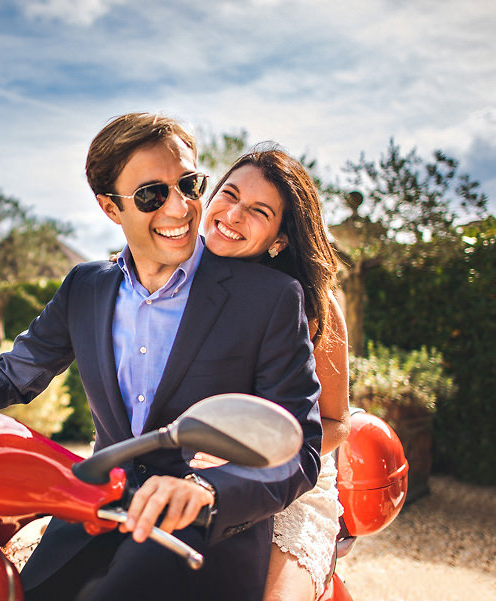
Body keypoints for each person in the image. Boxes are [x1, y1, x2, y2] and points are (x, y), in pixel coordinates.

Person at [0, 113, 323, 601]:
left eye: (190, 185)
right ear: (111, 208)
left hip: (196, 528)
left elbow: (299, 451)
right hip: (91, 509)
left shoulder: (270, 297)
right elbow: (11, 373)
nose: (180, 208)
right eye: (153, 194)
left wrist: (209, 490)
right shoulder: (86, 287)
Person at [194, 146, 350, 601]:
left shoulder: (313, 305)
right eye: (229, 194)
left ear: (280, 239)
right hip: (184, 466)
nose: (233, 215)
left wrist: (251, 456)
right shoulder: (170, 279)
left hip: (291, 481)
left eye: (258, 211)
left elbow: (335, 423)